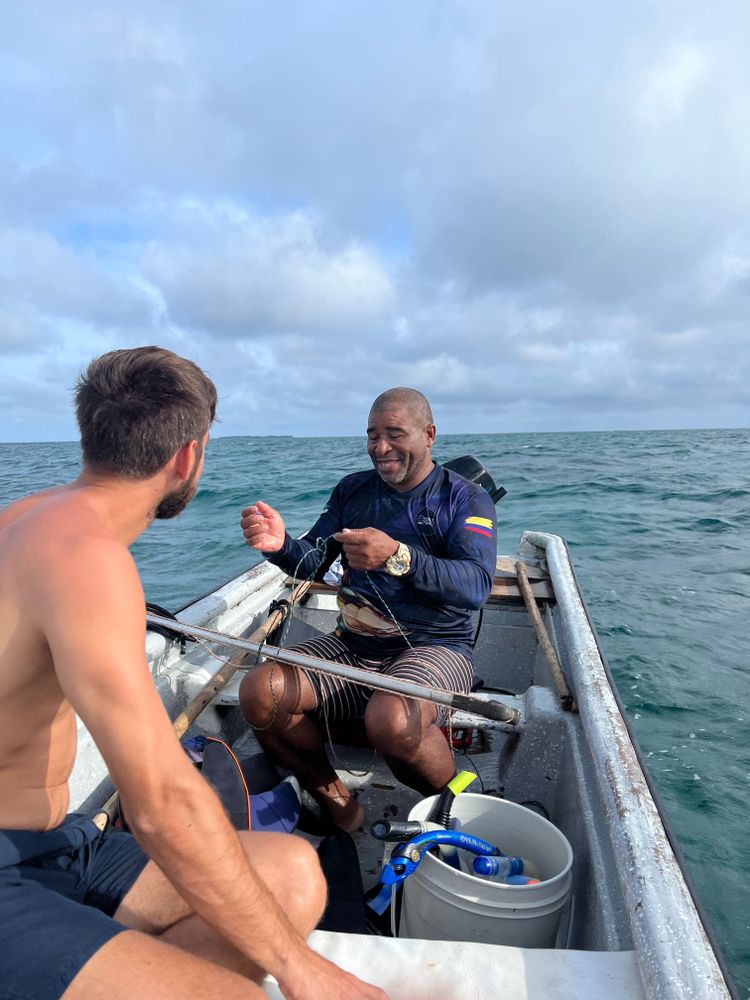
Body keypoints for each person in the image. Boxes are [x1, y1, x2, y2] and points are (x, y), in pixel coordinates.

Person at [0, 347, 387, 1000]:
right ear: (188, 457)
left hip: (55, 846)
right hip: (10, 868)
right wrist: (303, 970)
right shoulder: (86, 559)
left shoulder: (29, 516)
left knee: (293, 874)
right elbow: (161, 804)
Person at [239, 388, 497, 832]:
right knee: (261, 691)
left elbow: (475, 585)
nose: (381, 447)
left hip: (437, 646)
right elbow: (311, 562)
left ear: (429, 435)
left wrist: (398, 557)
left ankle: (457, 817)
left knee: (391, 717)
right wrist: (280, 546)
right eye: (372, 435)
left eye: (395, 434)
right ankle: (339, 805)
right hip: (353, 645)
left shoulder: (466, 499)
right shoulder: (352, 490)